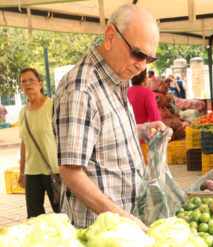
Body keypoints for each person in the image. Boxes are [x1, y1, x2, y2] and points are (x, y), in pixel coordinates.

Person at [52, 4, 167, 230]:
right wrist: (122, 218)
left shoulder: (115, 77)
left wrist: (143, 129)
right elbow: (71, 172)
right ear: (110, 36)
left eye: (149, 59)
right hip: (100, 230)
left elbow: (101, 135)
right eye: (137, 54)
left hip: (125, 223)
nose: (141, 66)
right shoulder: (81, 89)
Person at [17, 68, 60, 218]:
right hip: (32, 171)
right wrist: (22, 171)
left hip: (54, 169)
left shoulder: (53, 105)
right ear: (21, 87)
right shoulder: (23, 112)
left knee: (63, 213)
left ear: (40, 83)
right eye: (23, 81)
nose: (28, 84)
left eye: (31, 80)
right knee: (34, 217)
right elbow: (24, 143)